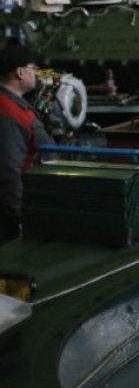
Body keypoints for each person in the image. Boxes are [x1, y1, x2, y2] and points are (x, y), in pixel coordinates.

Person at [0, 45, 52, 242]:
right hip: (10, 218)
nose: (36, 73)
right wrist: (19, 218)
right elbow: (8, 172)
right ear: (20, 72)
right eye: (33, 68)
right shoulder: (8, 112)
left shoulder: (13, 106)